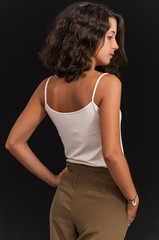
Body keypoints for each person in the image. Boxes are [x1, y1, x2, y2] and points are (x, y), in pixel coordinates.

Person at [5, 1, 139, 239]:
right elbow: (111, 154)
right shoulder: (107, 84)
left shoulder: (45, 88)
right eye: (110, 36)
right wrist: (132, 198)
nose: (116, 45)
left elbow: (14, 142)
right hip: (104, 195)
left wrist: (54, 180)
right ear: (88, 36)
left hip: (64, 198)